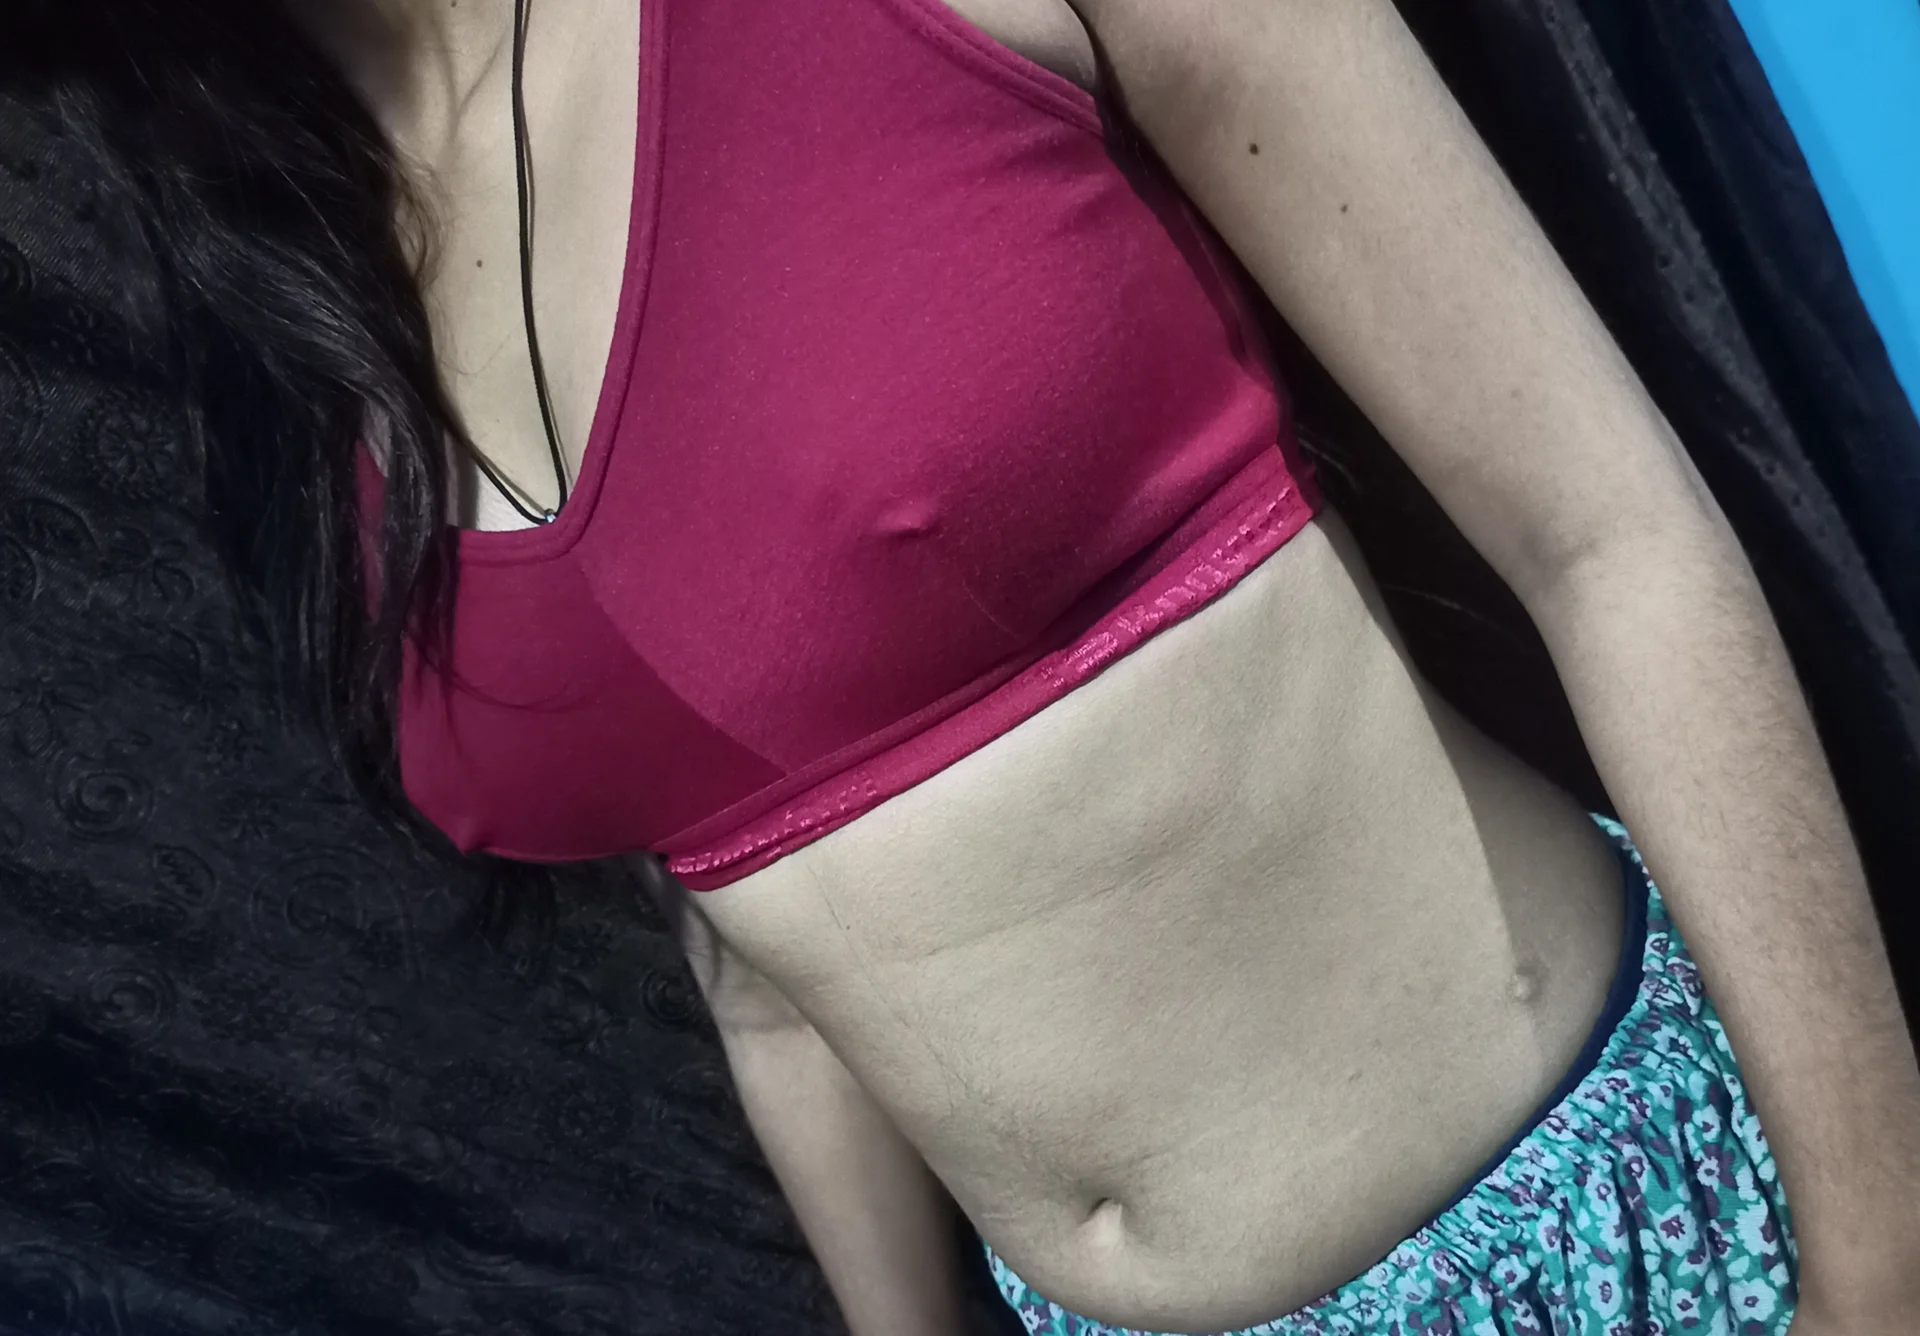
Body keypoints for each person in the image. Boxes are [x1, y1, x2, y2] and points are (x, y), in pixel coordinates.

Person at [30, 1, 1920, 1333]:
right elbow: (763, 958)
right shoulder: (289, 299)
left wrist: (1877, 1269)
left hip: (1600, 1240)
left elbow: (1604, 534)